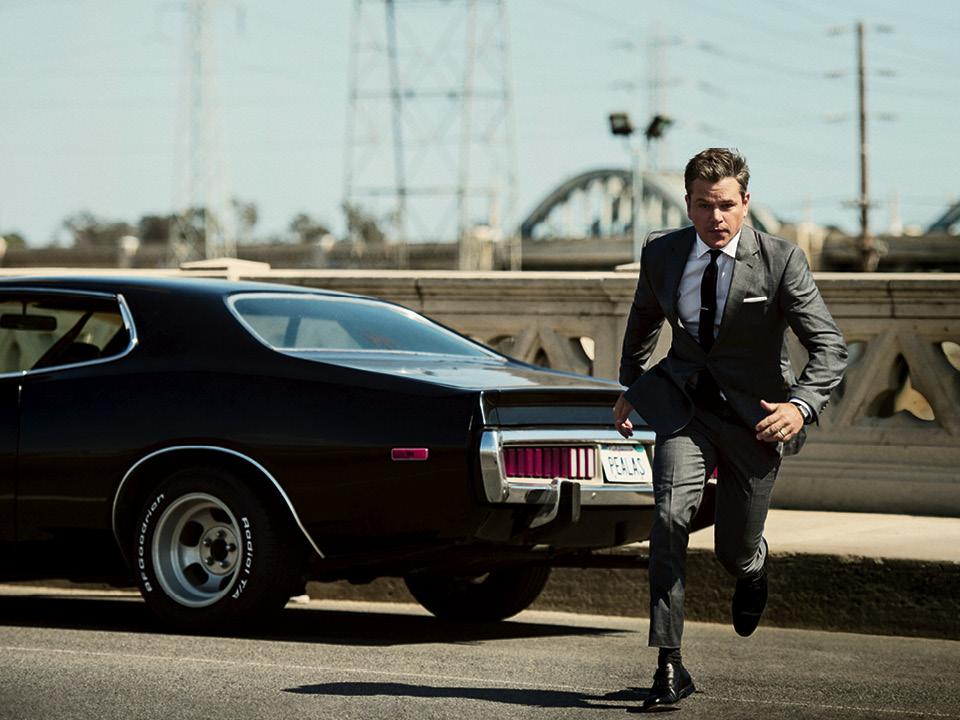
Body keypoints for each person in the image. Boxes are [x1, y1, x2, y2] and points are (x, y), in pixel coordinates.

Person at [613, 148, 847, 710]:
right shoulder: (662, 252)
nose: (714, 218)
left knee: (732, 549)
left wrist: (800, 407)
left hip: (757, 420)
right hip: (685, 410)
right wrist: (632, 386)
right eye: (702, 205)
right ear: (687, 204)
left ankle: (752, 565)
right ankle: (669, 663)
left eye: (725, 205)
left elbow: (829, 347)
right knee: (668, 517)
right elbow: (644, 320)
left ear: (745, 202)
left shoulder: (781, 261)